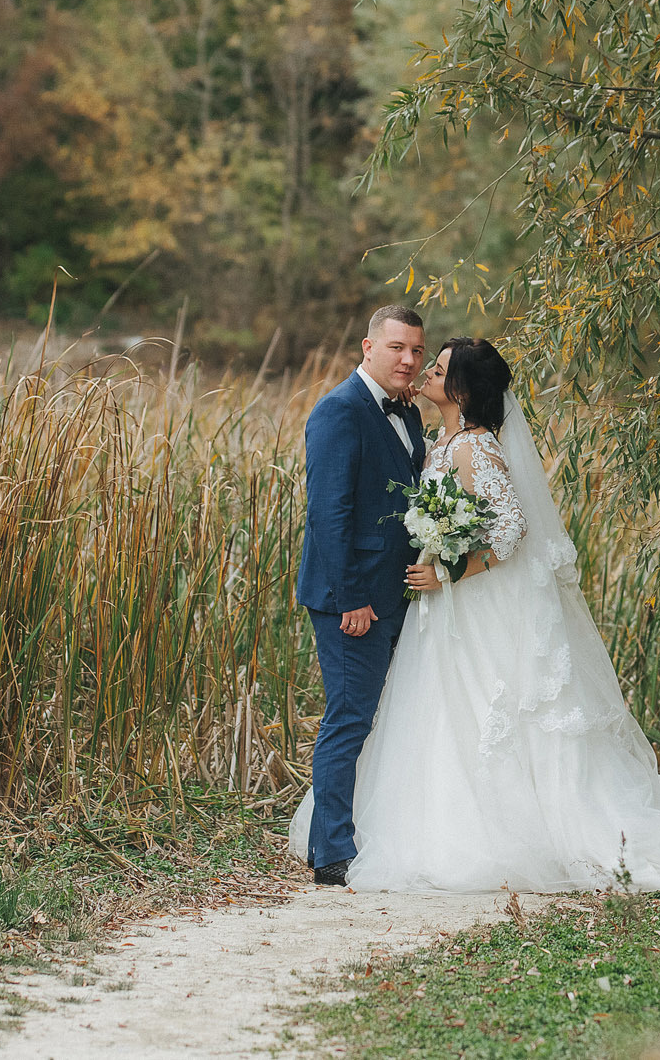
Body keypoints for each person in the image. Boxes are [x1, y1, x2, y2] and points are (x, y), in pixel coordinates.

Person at [291, 336, 660, 893]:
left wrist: (448, 572)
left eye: (436, 367)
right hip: (439, 614)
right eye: (418, 360)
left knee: (486, 710)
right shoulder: (438, 439)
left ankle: (503, 835)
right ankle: (379, 833)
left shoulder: (475, 446)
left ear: (460, 389)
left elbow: (511, 528)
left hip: (466, 601)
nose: (423, 372)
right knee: (439, 711)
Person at [295, 304, 429, 885]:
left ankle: (370, 832)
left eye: (417, 351)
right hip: (352, 601)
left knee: (385, 718)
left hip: (398, 593)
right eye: (397, 347)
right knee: (349, 718)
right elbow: (329, 514)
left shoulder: (412, 415)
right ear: (369, 347)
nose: (408, 359)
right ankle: (330, 855)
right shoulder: (339, 411)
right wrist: (351, 597)